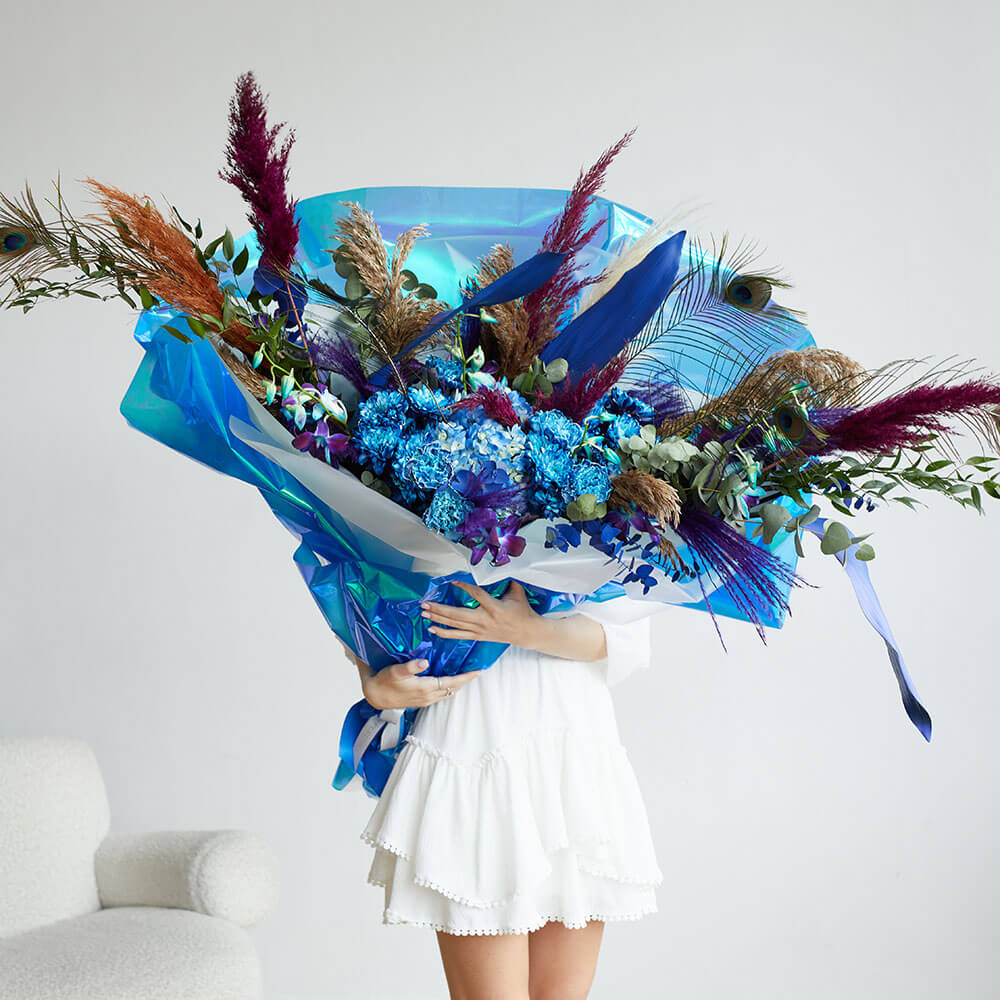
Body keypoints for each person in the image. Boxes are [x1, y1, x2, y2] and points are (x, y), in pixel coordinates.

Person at [345, 579, 661, 1000]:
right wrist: (373, 679)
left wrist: (526, 629)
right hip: (474, 735)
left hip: (569, 740)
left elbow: (626, 628)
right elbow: (370, 584)